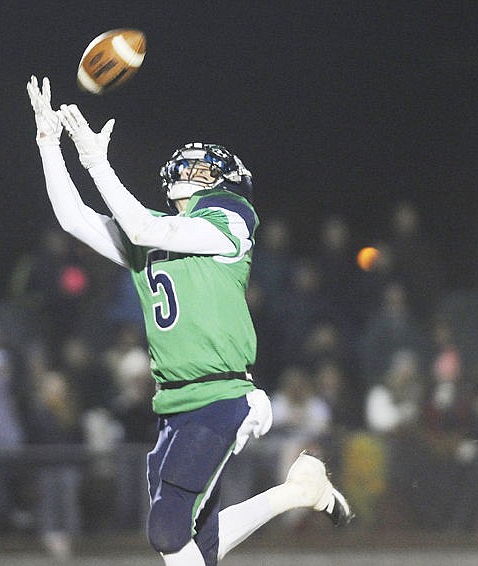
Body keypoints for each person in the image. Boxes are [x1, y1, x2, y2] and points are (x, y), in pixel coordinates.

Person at [27, 76, 352, 565]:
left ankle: (296, 492)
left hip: (221, 396)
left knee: (166, 530)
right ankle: (298, 492)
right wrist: (50, 145)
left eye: (205, 167)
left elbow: (140, 224)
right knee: (186, 548)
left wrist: (97, 163)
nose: (192, 169)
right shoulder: (159, 233)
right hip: (175, 404)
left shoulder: (230, 222)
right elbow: (74, 219)